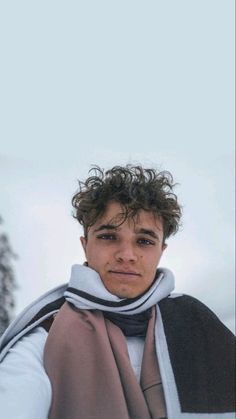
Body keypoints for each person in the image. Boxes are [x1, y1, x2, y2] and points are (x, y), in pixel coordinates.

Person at [0, 165, 235, 419]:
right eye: (109, 236)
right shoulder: (45, 336)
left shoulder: (197, 325)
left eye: (144, 241)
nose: (127, 255)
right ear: (85, 244)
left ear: (161, 251)